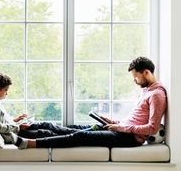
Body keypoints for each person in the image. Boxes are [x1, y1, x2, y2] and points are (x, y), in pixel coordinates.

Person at [20, 56, 167, 149]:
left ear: (146, 72)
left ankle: (32, 144)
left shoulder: (157, 95)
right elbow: (136, 120)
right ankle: (24, 130)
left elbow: (152, 128)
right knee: (73, 128)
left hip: (129, 138)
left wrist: (121, 128)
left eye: (136, 76)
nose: (134, 80)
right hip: (122, 130)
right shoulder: (146, 92)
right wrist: (114, 122)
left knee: (80, 136)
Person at [0, 72, 84, 149]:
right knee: (46, 133)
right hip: (16, 134)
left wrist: (16, 119)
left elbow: (2, 121)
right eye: (5, 90)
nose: (7, 93)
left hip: (16, 129)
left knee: (47, 125)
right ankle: (80, 135)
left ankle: (82, 132)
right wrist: (18, 128)